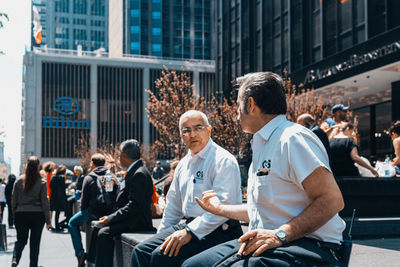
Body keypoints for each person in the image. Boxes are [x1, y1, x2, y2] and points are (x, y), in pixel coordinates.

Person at [186, 72, 347, 267]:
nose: (236, 112)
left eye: (238, 105)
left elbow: (332, 200)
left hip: (312, 246)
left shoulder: (292, 138)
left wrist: (280, 235)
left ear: (251, 105)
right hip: (273, 241)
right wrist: (219, 208)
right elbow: (260, 210)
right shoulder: (263, 143)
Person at [130, 110, 243, 267]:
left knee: (161, 256)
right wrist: (161, 235)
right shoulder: (183, 164)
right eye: (186, 130)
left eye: (198, 128)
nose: (192, 134)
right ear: (181, 136)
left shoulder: (223, 160)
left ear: (209, 130)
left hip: (220, 228)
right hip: (190, 224)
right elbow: (173, 207)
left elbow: (224, 208)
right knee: (141, 251)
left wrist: (190, 232)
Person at [93, 139, 153, 267]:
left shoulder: (139, 173)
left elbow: (134, 205)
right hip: (131, 217)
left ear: (125, 155)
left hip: (137, 221)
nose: (118, 157)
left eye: (119, 154)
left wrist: (110, 219)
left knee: (103, 233)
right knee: (96, 228)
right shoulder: (135, 170)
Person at [68, 153, 117, 267]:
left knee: (71, 223)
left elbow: (84, 201)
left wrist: (85, 212)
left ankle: (80, 253)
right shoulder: (109, 176)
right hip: (107, 213)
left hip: (92, 212)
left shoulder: (89, 177)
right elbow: (112, 195)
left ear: (92, 163)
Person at [11, 156, 52, 267]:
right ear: (38, 166)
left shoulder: (19, 180)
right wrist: (48, 221)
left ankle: (15, 259)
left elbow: (13, 200)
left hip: (21, 214)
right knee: (35, 243)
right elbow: (45, 202)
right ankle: (33, 265)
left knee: (21, 240)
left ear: (27, 166)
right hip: (37, 215)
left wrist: (15, 215)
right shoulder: (42, 182)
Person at [50, 165, 68, 231]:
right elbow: (63, 187)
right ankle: (64, 225)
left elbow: (50, 186)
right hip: (61, 197)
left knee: (57, 213)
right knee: (67, 211)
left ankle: (57, 226)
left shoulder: (53, 177)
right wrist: (67, 184)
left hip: (54, 196)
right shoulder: (62, 177)